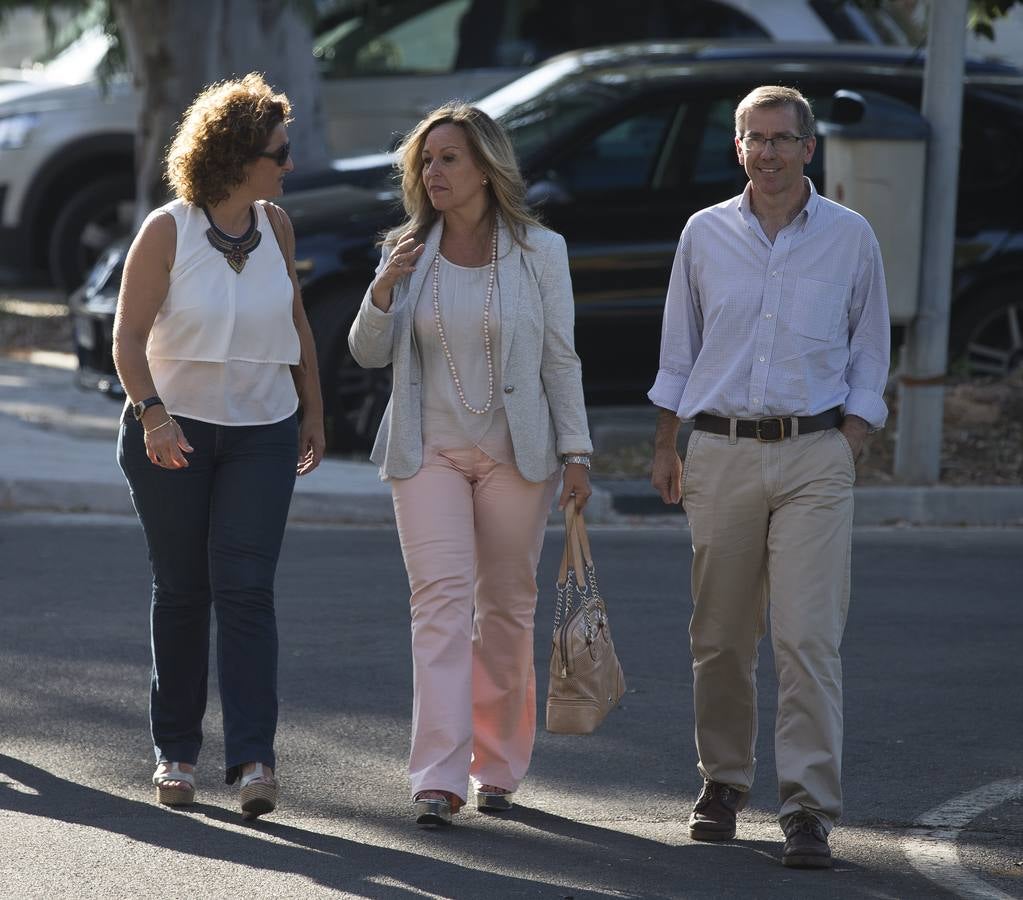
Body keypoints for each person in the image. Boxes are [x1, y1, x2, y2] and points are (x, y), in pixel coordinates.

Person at [649, 85, 890, 867]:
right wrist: (665, 443)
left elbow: (869, 350)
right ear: (738, 147)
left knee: (806, 639)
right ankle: (722, 782)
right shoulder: (702, 233)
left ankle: (807, 807)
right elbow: (678, 349)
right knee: (718, 636)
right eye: (756, 138)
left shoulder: (850, 237)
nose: (770, 152)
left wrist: (849, 437)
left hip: (814, 454)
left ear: (809, 148)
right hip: (717, 451)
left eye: (784, 138)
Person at [348, 102, 592, 826]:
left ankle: (499, 766)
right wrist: (381, 289)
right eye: (425, 160)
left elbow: (559, 356)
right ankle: (437, 777)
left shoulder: (538, 251)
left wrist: (575, 451)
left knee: (507, 611)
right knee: (440, 608)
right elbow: (368, 351)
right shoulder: (404, 249)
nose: (433, 172)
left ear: (485, 169)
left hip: (518, 452)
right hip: (426, 451)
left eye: (448, 158)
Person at [113, 73, 325, 820]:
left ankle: (255, 759)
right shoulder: (167, 230)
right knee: (182, 589)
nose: (288, 165)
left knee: (246, 590)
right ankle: (175, 750)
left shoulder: (277, 225)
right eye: (279, 151)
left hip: (262, 429)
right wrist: (153, 415)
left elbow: (295, 323)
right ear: (236, 154)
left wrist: (312, 410)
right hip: (174, 429)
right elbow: (128, 339)